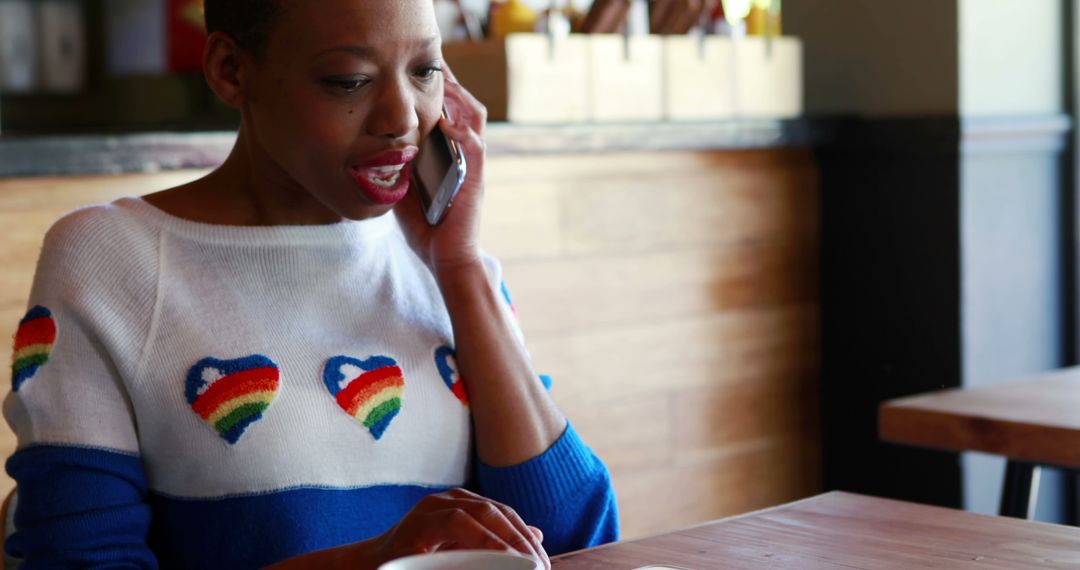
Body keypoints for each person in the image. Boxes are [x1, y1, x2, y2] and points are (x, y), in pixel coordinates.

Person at [3, 1, 619, 568]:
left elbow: (577, 542)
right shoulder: (114, 259)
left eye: (425, 71)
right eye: (350, 81)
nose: (403, 119)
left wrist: (460, 270)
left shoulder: (445, 260)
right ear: (230, 71)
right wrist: (373, 560)